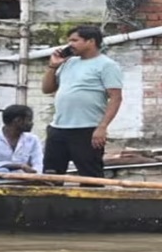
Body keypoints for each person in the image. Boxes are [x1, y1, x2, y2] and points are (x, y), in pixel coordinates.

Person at [41, 25, 123, 178]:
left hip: (87, 130)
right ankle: (51, 202)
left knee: (90, 176)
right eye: (69, 40)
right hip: (58, 128)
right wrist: (53, 66)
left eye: (75, 40)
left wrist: (102, 127)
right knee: (51, 175)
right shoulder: (68, 62)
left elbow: (116, 98)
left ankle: (94, 203)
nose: (69, 44)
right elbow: (46, 89)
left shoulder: (107, 65)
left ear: (90, 41)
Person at [0, 104, 44, 181]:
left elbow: (38, 164)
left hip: (22, 182)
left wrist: (34, 173)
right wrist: (19, 166)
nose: (32, 123)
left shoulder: (33, 139)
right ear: (18, 120)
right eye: (29, 120)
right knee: (2, 171)